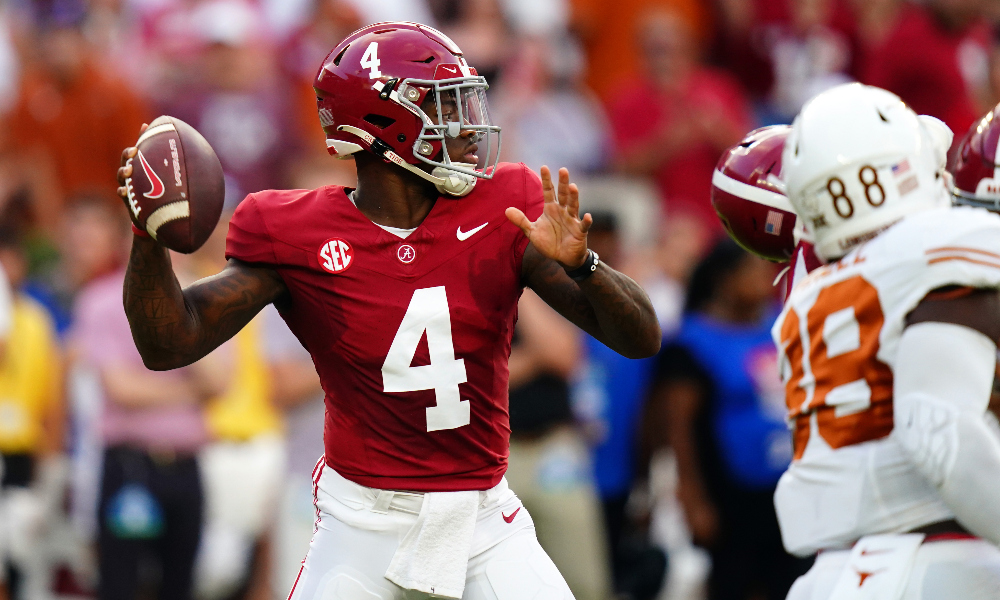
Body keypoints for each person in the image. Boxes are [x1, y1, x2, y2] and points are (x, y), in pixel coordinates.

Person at [115, 22, 660, 600]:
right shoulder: (294, 232)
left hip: (481, 519)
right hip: (362, 522)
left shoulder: (506, 208)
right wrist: (148, 234)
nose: (467, 126)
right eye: (444, 106)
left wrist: (585, 266)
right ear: (383, 124)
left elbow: (640, 337)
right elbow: (169, 344)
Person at [776, 82, 1000, 599]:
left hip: (829, 575)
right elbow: (935, 428)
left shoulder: (813, 293)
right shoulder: (943, 249)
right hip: (942, 560)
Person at [649, 239, 808, 600]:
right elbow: (678, 429)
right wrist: (693, 498)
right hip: (730, 493)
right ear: (724, 279)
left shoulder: (777, 325)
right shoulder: (692, 343)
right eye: (752, 274)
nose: (764, 282)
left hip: (787, 483)